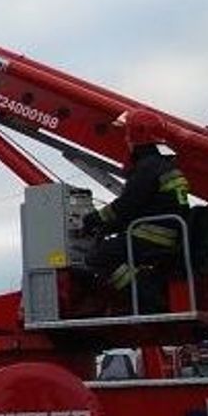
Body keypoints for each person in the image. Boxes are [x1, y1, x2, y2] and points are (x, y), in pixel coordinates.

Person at [83, 110, 191, 313]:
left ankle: (146, 296)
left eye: (127, 134)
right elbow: (140, 208)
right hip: (167, 235)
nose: (126, 139)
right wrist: (107, 228)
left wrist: (93, 219)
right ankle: (145, 289)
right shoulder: (164, 166)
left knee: (98, 258)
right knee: (113, 250)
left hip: (151, 236)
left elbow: (126, 206)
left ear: (136, 136)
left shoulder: (147, 168)